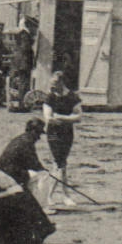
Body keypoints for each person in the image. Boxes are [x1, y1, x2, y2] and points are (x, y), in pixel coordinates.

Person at [42, 71, 82, 206]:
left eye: (54, 84)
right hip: (53, 133)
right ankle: (63, 195)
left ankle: (51, 196)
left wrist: (61, 117)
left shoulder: (72, 97)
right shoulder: (50, 97)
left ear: (61, 83)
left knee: (61, 164)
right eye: (51, 84)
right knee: (60, 163)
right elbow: (48, 118)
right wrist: (66, 118)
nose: (52, 87)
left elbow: (78, 117)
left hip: (67, 133)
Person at [0, 117, 47, 195]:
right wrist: (44, 170)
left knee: (35, 175)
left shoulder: (22, 138)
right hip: (7, 172)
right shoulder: (27, 142)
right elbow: (34, 164)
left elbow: (32, 162)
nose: (39, 137)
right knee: (42, 176)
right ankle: (38, 203)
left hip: (4, 169)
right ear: (33, 131)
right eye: (38, 133)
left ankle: (31, 199)